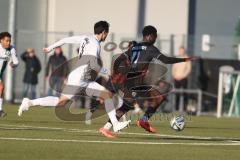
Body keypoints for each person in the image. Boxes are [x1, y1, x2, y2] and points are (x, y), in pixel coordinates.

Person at [18, 21, 130, 132]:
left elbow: (66, 40)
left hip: (79, 76)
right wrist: (108, 72)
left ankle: (29, 102)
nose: (106, 36)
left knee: (61, 102)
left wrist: (50, 48)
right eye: (107, 33)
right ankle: (115, 124)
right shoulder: (95, 45)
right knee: (105, 95)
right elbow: (94, 64)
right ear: (103, 32)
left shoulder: (86, 38)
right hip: (80, 79)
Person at [99, 26, 195, 137]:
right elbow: (166, 60)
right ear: (149, 36)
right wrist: (185, 59)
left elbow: (119, 59)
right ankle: (107, 127)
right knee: (128, 105)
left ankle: (143, 121)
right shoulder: (151, 48)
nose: (156, 38)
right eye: (155, 35)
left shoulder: (135, 47)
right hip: (134, 82)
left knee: (158, 97)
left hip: (132, 80)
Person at [0, 32, 19, 117]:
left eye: (9, 41)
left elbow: (16, 62)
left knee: (1, 88)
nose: (8, 43)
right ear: (1, 41)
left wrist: (13, 64)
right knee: (1, 87)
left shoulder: (11, 48)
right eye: (6, 41)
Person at [172, 46, 192, 111]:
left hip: (183, 78)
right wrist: (175, 76)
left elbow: (188, 69)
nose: (181, 52)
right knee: (177, 94)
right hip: (176, 78)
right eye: (180, 50)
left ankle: (184, 108)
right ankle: (176, 108)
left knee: (184, 93)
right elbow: (173, 69)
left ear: (184, 51)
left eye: (182, 50)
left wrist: (183, 76)